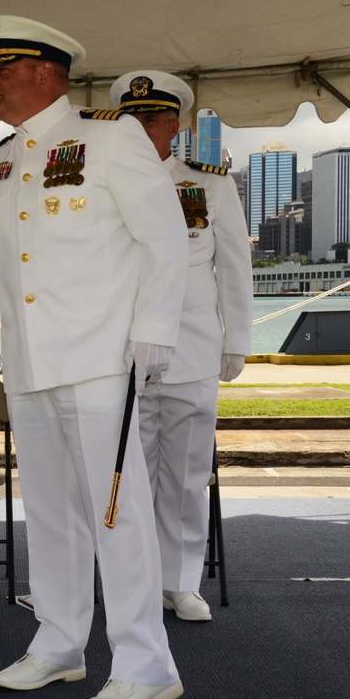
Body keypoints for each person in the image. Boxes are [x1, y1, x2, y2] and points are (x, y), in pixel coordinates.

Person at [0, 15, 189, 699]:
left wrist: (154, 330)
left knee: (116, 512)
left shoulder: (110, 137)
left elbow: (164, 237)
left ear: (47, 71)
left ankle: (145, 663)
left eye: (3, 69)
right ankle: (61, 642)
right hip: (31, 362)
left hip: (102, 359)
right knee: (55, 516)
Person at [114, 70, 253, 622]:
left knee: (189, 474)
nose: (144, 127)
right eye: (133, 118)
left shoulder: (210, 184)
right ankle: (133, 578)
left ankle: (180, 580)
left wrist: (236, 341)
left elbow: (234, 268)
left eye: (154, 117)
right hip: (122, 353)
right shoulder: (104, 183)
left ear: (176, 124)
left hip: (192, 348)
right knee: (127, 474)